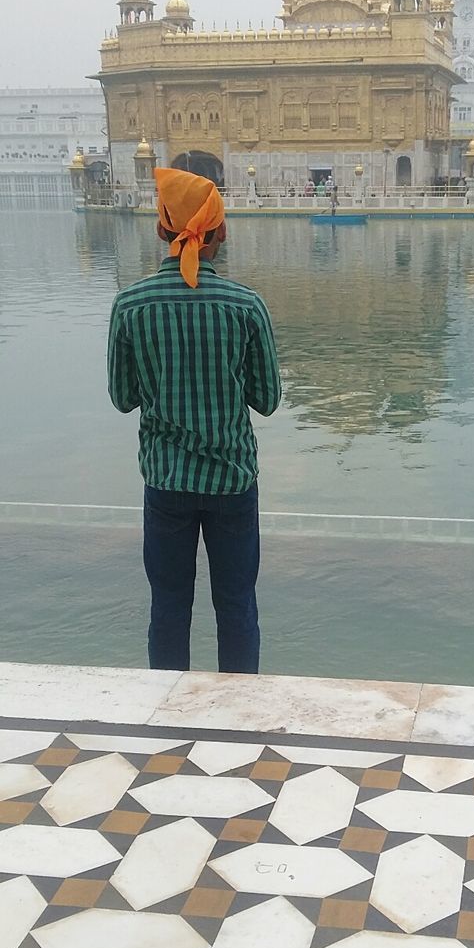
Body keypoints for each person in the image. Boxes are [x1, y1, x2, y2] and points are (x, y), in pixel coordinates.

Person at [107, 167, 281, 674]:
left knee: (168, 607)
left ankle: (169, 713)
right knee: (236, 607)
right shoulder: (245, 304)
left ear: (162, 229)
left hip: (166, 482)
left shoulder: (130, 304)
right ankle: (239, 717)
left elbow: (122, 397)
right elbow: (266, 399)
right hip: (231, 481)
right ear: (220, 231)